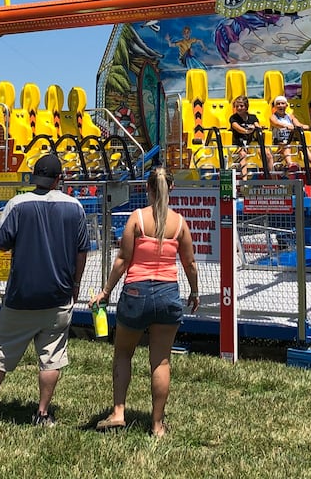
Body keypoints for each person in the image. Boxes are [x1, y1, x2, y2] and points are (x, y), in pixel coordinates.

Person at [0, 153, 90, 429]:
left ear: (35, 176)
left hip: (21, 296)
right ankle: (43, 413)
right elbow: (82, 251)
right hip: (58, 295)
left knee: (0, 351)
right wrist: (75, 283)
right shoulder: (75, 207)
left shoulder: (18, 204)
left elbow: (1, 243)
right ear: (59, 179)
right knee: (51, 357)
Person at [93, 165, 200, 438]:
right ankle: (157, 425)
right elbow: (190, 264)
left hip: (136, 293)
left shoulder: (137, 219)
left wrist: (105, 292)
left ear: (147, 189)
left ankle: (118, 412)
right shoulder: (180, 224)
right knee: (161, 362)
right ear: (171, 189)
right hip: (167, 295)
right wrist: (194, 292)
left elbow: (122, 261)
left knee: (123, 354)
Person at [269, 95, 311, 171]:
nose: (281, 106)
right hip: (279, 141)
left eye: (283, 103)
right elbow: (276, 123)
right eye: (278, 104)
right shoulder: (273, 117)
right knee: (286, 147)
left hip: (290, 139)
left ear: (286, 105)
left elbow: (296, 123)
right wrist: (286, 126)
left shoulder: (289, 116)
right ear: (275, 106)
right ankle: (290, 164)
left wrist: (302, 126)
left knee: (303, 146)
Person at [227, 95, 263, 176]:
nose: (239, 108)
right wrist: (247, 131)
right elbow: (237, 128)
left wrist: (256, 128)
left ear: (246, 106)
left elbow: (257, 126)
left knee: (266, 153)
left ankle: (271, 179)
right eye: (237, 106)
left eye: (241, 106)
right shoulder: (233, 118)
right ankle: (245, 181)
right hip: (238, 144)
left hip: (250, 144)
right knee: (243, 155)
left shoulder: (252, 117)